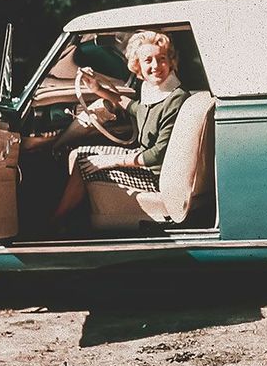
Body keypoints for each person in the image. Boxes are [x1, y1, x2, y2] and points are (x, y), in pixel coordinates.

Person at [51, 30, 189, 224]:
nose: (156, 66)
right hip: (147, 165)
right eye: (148, 60)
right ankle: (74, 219)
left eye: (162, 59)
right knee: (79, 154)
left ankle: (56, 222)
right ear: (138, 65)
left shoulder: (175, 97)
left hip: (156, 176)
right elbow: (133, 107)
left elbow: (157, 154)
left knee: (83, 163)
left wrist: (112, 160)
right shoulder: (156, 91)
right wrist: (98, 89)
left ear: (171, 61)